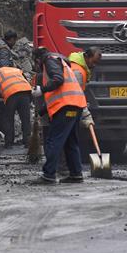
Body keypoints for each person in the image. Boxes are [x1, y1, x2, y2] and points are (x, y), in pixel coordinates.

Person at [33, 49, 87, 183]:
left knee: (53, 140)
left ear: (38, 59)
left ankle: (49, 175)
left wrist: (42, 90)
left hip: (66, 106)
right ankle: (76, 174)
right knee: (71, 141)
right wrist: (42, 111)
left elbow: (58, 80)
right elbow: (59, 91)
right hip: (76, 104)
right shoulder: (61, 62)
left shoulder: (49, 60)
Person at [0, 66, 33, 148]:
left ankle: (9, 143)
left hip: (11, 94)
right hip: (26, 92)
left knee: (9, 119)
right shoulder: (17, 70)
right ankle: (27, 141)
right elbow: (25, 81)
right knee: (25, 119)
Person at [68, 47, 102, 130]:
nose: (94, 65)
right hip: (68, 111)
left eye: (97, 63)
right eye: (93, 62)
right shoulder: (77, 72)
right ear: (87, 57)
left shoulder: (80, 67)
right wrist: (87, 116)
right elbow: (77, 97)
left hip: (70, 109)